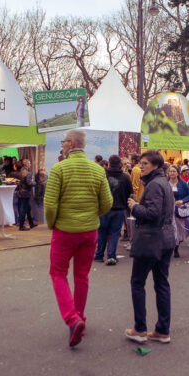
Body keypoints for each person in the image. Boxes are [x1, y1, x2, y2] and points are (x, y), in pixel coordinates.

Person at [44, 129, 113, 347]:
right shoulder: (98, 170)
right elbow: (107, 203)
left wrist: (51, 223)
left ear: (71, 143)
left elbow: (49, 204)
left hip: (65, 230)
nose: (61, 145)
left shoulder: (59, 169)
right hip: (89, 231)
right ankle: (80, 317)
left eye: (63, 142)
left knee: (57, 273)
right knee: (82, 276)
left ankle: (72, 319)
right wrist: (93, 215)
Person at [125, 150, 175, 344]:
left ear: (155, 166)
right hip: (166, 238)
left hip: (152, 239)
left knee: (138, 282)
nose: (141, 166)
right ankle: (162, 330)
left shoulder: (154, 185)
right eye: (141, 163)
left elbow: (152, 213)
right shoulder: (163, 183)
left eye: (145, 163)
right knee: (162, 284)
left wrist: (134, 206)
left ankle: (140, 329)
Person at [94, 155, 133, 265]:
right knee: (114, 233)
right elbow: (130, 192)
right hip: (119, 209)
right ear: (120, 164)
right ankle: (111, 255)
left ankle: (99, 254)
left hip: (104, 209)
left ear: (109, 164)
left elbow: (97, 190)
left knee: (101, 231)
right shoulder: (125, 177)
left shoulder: (103, 175)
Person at [168, 165, 189, 258]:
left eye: (174, 171)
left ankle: (176, 246)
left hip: (179, 210)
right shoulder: (166, 183)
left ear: (178, 173)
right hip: (168, 211)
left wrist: (182, 200)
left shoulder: (183, 184)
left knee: (180, 229)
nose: (172, 173)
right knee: (170, 230)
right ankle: (172, 248)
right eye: (170, 171)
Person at [17, 158, 36, 231]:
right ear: (26, 164)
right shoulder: (28, 173)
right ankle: (21, 226)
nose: (30, 164)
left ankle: (31, 223)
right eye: (29, 163)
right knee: (24, 209)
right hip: (26, 192)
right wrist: (34, 183)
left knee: (28, 208)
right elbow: (29, 183)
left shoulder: (21, 171)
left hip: (21, 192)